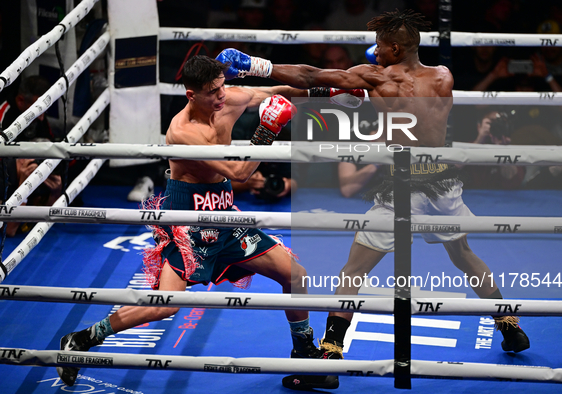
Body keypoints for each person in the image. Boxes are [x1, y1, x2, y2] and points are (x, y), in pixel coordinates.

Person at [217, 9, 530, 390]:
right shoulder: (443, 76)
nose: (374, 51)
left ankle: (330, 357)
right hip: (444, 182)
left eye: (380, 46)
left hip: (404, 188)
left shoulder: (377, 77)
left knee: (353, 271)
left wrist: (256, 65)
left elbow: (311, 75)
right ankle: (510, 328)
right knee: (463, 255)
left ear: (395, 47)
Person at [56, 55, 338, 388]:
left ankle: (303, 352)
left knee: (295, 275)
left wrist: (328, 91)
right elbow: (240, 171)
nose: (222, 97)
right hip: (188, 220)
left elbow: (279, 92)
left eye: (222, 87)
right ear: (192, 95)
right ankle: (84, 338)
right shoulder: (183, 132)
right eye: (212, 92)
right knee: (165, 306)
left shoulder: (228, 97)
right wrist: (267, 130)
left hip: (224, 212)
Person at [0, 76, 63, 236]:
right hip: (7, 177)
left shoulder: (37, 112)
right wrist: (23, 188)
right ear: (21, 101)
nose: (42, 116)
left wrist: (55, 193)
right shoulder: (4, 118)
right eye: (38, 110)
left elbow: (47, 144)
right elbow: (11, 231)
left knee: (57, 168)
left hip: (22, 172)